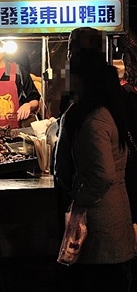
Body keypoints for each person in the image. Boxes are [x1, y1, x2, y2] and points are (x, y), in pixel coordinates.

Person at [53, 27, 134, 290]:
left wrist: (78, 198)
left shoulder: (94, 115)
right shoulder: (105, 101)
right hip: (107, 223)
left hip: (101, 227)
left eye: (69, 52)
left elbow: (102, 174)